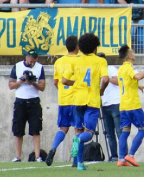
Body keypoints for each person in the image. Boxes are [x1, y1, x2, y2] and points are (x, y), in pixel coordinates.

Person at [62, 33, 110, 171]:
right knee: (89, 133)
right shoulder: (100, 61)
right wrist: (101, 90)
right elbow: (106, 79)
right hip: (92, 100)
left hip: (77, 100)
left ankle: (80, 164)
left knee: (79, 130)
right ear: (95, 47)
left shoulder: (75, 61)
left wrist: (76, 83)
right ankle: (78, 143)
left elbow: (64, 80)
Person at [117, 44, 144, 167]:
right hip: (133, 105)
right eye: (133, 53)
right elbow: (137, 76)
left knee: (125, 131)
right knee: (142, 130)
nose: (134, 54)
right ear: (129, 56)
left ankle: (121, 159)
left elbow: (126, 83)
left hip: (123, 105)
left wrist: (138, 86)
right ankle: (131, 155)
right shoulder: (129, 67)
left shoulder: (121, 69)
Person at [45, 36, 79, 167]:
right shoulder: (79, 60)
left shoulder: (58, 62)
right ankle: (76, 161)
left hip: (63, 100)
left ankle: (54, 147)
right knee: (78, 130)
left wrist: (63, 92)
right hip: (77, 100)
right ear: (77, 47)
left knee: (63, 128)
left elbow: (55, 82)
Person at [8, 49, 46, 162]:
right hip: (20, 101)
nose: (32, 63)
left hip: (34, 101)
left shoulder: (39, 67)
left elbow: (42, 87)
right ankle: (18, 156)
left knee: (35, 129)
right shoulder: (17, 66)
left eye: (34, 61)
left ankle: (38, 156)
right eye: (30, 61)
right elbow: (11, 85)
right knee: (18, 129)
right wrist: (21, 81)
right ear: (26, 57)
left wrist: (33, 83)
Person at [96, 52, 121, 162]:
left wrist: (106, 78)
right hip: (104, 105)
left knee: (119, 132)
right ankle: (114, 156)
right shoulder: (96, 72)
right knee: (109, 133)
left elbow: (118, 82)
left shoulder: (111, 69)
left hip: (115, 103)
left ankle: (124, 155)